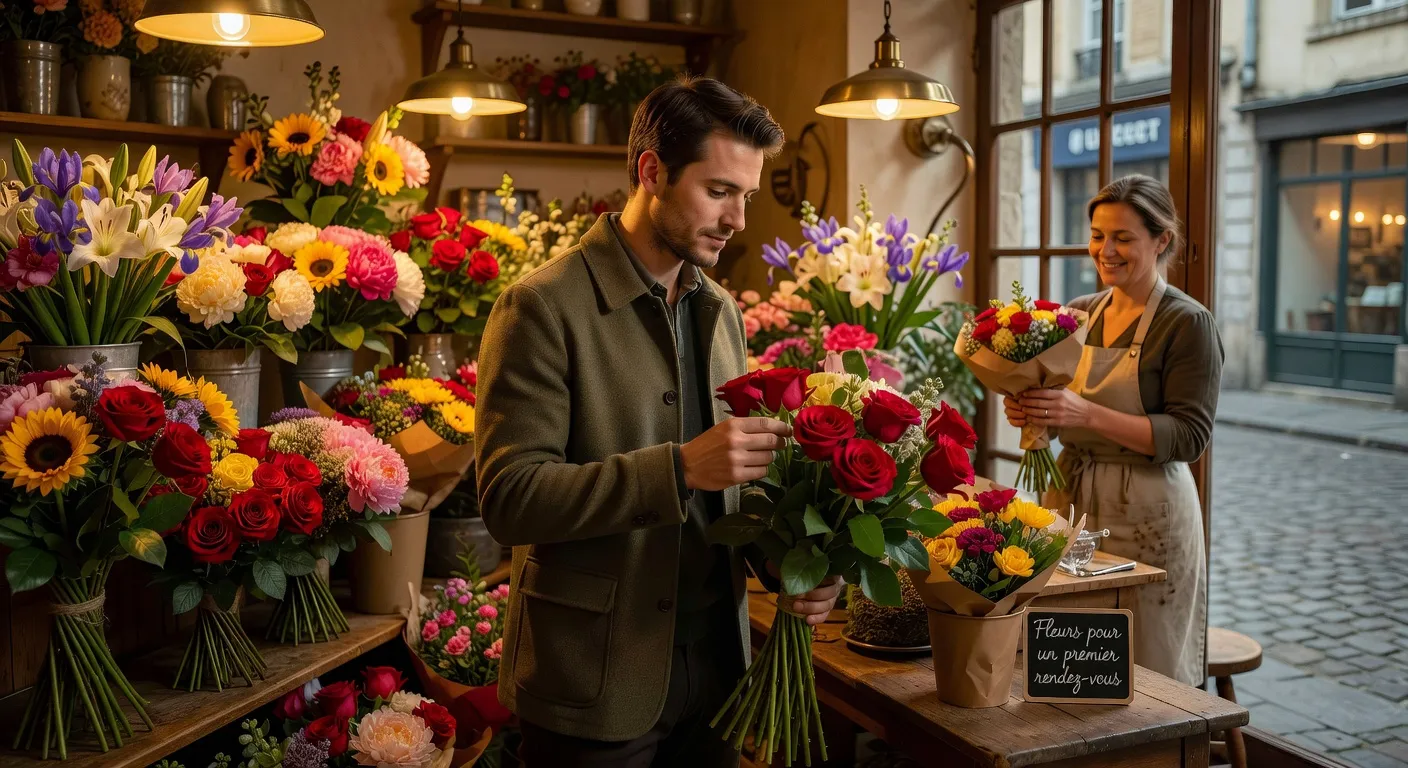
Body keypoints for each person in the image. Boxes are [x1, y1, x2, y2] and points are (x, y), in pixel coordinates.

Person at [474, 76, 844, 767]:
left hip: (718, 672)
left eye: (747, 197)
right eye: (719, 190)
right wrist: (678, 469)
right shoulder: (540, 308)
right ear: (651, 171)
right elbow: (510, 500)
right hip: (593, 682)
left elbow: (737, 488)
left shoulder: (723, 311)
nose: (737, 218)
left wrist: (797, 564)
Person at [1003, 174, 1222, 686]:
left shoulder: (1187, 323)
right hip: (1072, 498)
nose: (1106, 249)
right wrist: (1035, 413)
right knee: (1068, 661)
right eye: (1099, 234)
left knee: (1147, 663)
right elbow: (1061, 413)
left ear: (1161, 240)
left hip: (1149, 511)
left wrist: (1084, 414)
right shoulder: (1080, 314)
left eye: (1124, 237)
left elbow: (1188, 437)